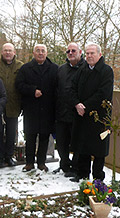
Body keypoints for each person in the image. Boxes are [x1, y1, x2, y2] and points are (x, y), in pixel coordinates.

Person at [69, 43, 114, 182]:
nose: (89, 56)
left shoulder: (106, 71)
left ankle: (97, 177)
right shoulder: (82, 70)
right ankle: (82, 174)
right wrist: (77, 104)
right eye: (87, 53)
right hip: (82, 115)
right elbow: (72, 88)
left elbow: (103, 93)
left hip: (99, 116)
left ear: (99, 55)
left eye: (92, 53)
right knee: (83, 146)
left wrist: (85, 106)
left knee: (99, 149)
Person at [15, 44, 57, 172]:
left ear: (46, 53)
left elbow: (58, 88)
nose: (40, 53)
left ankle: (41, 162)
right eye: (38, 51)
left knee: (44, 137)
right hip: (30, 109)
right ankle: (29, 163)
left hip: (47, 109)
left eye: (43, 51)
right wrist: (32, 91)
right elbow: (19, 85)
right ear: (33, 53)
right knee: (30, 136)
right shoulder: (25, 68)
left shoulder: (54, 68)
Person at [53, 42, 85, 177]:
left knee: (77, 143)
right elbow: (56, 89)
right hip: (61, 112)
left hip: (77, 113)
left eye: (73, 51)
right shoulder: (61, 69)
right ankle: (64, 164)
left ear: (80, 52)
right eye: (68, 51)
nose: (70, 53)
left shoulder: (85, 69)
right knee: (61, 142)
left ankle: (75, 168)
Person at [0, 43, 24, 166]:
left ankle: (9, 156)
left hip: (13, 104)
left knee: (12, 132)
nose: (7, 53)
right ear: (1, 52)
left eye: (10, 51)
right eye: (5, 50)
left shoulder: (20, 66)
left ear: (14, 52)